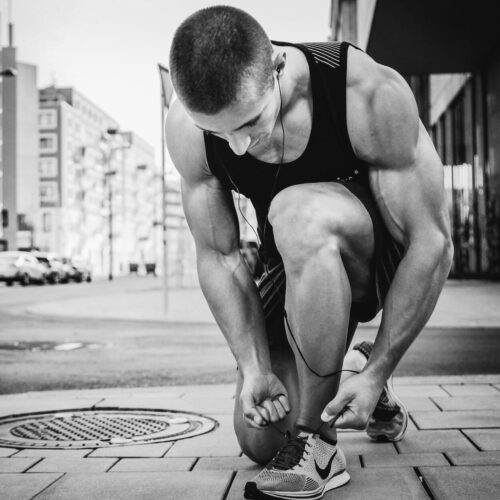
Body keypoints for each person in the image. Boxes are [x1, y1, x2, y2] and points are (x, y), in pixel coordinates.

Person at [167, 6, 453, 500]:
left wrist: (382, 365)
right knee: (259, 439)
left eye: (250, 121)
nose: (236, 147)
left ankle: (318, 445)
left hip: (375, 258)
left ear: (277, 68)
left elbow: (432, 242)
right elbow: (219, 255)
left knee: (296, 210)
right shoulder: (187, 126)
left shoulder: (362, 90)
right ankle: (346, 378)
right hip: (296, 264)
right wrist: (254, 366)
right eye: (220, 133)